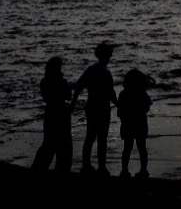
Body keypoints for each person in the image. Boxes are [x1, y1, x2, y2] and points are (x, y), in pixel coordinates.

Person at [71, 42, 117, 176]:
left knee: (90, 136)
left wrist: (73, 104)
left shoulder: (90, 70)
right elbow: (111, 93)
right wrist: (120, 106)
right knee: (102, 138)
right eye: (110, 54)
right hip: (102, 107)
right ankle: (101, 166)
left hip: (91, 106)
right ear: (107, 56)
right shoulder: (106, 72)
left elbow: (79, 86)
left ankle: (86, 165)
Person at [32, 56, 73, 172]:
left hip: (50, 113)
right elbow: (68, 96)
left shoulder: (44, 82)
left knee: (48, 145)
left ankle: (37, 169)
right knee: (64, 149)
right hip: (61, 115)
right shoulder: (62, 82)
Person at [117, 69, 155, 178]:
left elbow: (120, 112)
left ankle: (124, 170)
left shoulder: (123, 94)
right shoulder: (142, 94)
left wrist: (124, 117)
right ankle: (143, 170)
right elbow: (147, 107)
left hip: (127, 124)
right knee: (142, 147)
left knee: (127, 148)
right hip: (140, 123)